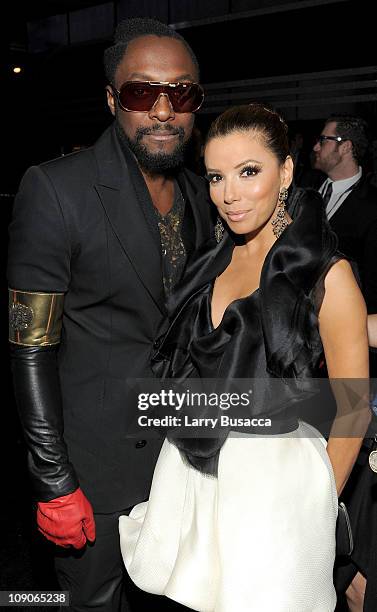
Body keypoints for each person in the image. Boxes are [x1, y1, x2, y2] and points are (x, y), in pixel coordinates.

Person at [119, 104, 370, 611]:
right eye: (215, 176)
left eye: (248, 172)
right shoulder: (212, 258)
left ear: (287, 172)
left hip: (274, 491)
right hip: (190, 471)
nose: (229, 194)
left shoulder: (327, 275)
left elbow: (354, 406)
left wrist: (317, 501)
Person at [7, 17, 214, 612]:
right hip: (92, 471)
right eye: (141, 92)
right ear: (111, 100)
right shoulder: (56, 189)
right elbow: (30, 345)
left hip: (182, 460)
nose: (162, 110)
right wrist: (53, 478)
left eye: (181, 93)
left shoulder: (205, 195)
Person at [313, 115, 377, 611]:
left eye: (325, 140)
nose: (316, 147)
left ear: (347, 146)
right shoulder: (307, 198)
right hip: (313, 370)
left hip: (361, 363)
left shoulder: (373, 206)